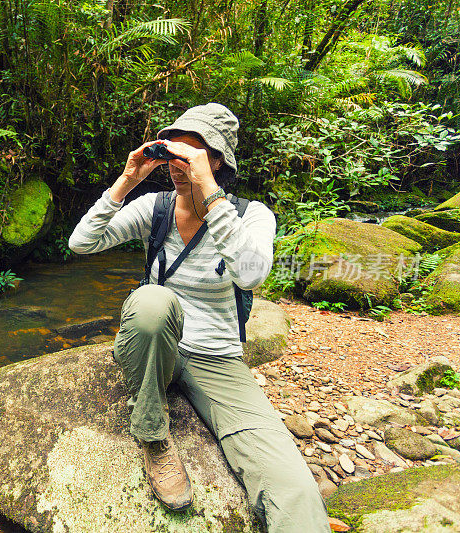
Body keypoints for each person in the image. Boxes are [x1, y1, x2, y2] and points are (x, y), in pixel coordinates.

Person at [67, 103, 330, 532]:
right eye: (174, 152)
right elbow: (81, 244)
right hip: (156, 340)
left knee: (292, 484)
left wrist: (207, 189)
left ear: (217, 160)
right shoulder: (155, 207)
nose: (177, 165)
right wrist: (127, 180)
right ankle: (153, 434)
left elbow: (251, 274)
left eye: (192, 154)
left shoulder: (250, 215)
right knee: (153, 301)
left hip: (217, 356)